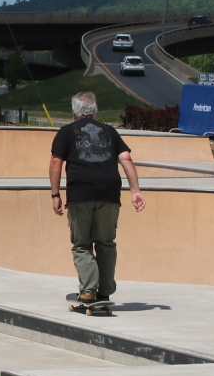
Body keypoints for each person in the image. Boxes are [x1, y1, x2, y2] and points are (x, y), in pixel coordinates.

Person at [48, 91, 145, 308]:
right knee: (106, 243)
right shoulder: (110, 131)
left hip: (80, 194)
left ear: (74, 113)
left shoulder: (66, 132)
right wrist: (135, 190)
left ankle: (88, 291)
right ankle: (105, 292)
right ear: (95, 111)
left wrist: (55, 194)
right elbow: (126, 158)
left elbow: (56, 162)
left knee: (82, 245)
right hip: (109, 195)